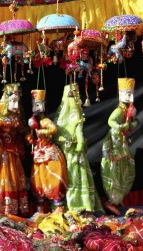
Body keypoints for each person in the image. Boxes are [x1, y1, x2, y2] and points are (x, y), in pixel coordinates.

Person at [0, 83, 31, 216]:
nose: (15, 105)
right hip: (0, 155)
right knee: (1, 181)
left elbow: (22, 131)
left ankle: (12, 210)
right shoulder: (0, 119)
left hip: (13, 155)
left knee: (14, 181)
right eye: (12, 101)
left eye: (17, 101)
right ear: (5, 102)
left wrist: (29, 137)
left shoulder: (16, 118)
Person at [53, 83, 103, 214]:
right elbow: (80, 138)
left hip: (64, 157)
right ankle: (82, 206)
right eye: (77, 97)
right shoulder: (76, 118)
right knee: (79, 179)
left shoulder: (59, 119)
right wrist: (80, 145)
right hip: (76, 156)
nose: (80, 101)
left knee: (67, 180)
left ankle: (66, 206)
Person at [101, 78, 138, 216]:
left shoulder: (128, 110)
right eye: (127, 94)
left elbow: (133, 125)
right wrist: (122, 126)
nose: (130, 97)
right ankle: (111, 201)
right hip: (115, 144)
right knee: (115, 170)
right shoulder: (118, 111)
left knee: (124, 169)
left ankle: (118, 198)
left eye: (131, 94)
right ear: (121, 94)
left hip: (122, 144)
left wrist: (131, 123)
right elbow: (111, 121)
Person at [28, 89, 67, 213]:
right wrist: (29, 137)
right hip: (38, 153)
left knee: (52, 179)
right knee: (37, 179)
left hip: (49, 153)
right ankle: (40, 210)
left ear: (44, 105)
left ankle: (58, 208)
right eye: (34, 105)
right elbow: (29, 134)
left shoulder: (45, 121)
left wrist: (40, 132)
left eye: (39, 105)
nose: (36, 108)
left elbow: (53, 129)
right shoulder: (33, 121)